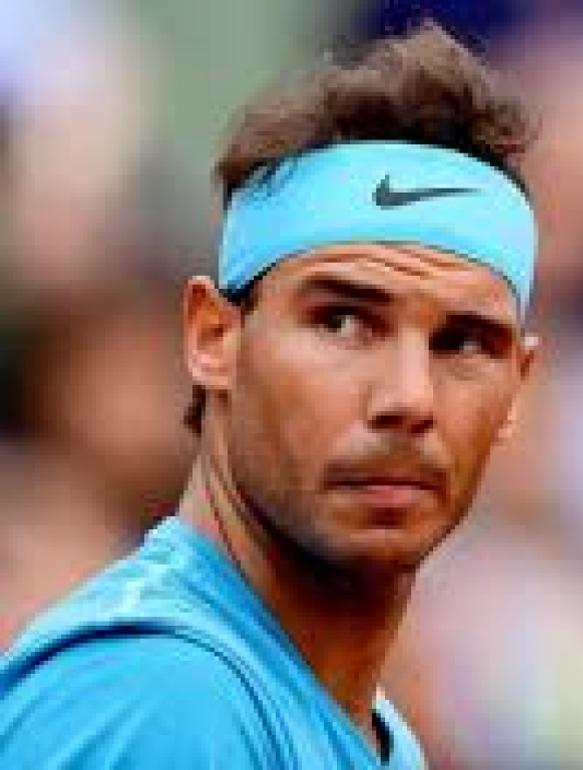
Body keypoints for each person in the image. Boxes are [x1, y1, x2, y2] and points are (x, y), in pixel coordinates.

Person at [0, 20, 539, 769]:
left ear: (518, 389)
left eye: (463, 342)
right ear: (212, 338)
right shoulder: (162, 699)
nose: (409, 397)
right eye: (343, 321)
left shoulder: (368, 729)